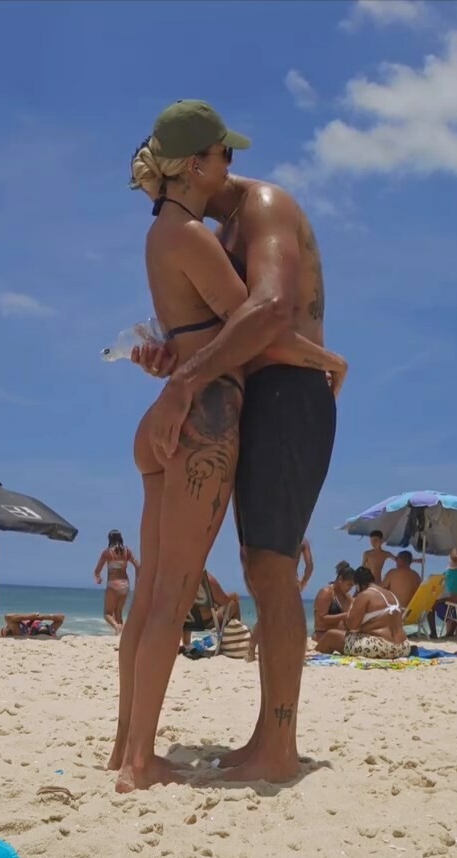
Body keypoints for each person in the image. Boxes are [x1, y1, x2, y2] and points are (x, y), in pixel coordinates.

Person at [108, 101, 347, 792]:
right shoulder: (203, 233)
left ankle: (273, 747)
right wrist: (180, 364)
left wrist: (184, 374)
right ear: (196, 164)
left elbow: (266, 312)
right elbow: (232, 327)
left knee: (262, 570)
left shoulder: (260, 208)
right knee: (249, 569)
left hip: (285, 395)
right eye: (223, 152)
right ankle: (237, 745)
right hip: (240, 400)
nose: (233, 164)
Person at [317, 567, 411, 660]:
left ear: (359, 585)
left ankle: (316, 652)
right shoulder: (391, 595)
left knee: (330, 635)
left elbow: (351, 626)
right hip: (403, 647)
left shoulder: (365, 594)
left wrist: (352, 606)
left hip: (382, 647)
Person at [246, 537, 315, 661]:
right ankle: (296, 653)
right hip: (291, 580)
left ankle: (251, 649)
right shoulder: (302, 541)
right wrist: (303, 582)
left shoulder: (275, 536)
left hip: (272, 578)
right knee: (295, 619)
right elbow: (309, 565)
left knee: (265, 616)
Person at [182, 570, 240, 650]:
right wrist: (233, 595)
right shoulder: (206, 577)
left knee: (189, 611)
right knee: (234, 604)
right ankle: (235, 639)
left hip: (184, 621)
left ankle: (186, 643)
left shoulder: (178, 577)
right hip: (205, 621)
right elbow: (223, 600)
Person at [94, 531, 139, 634]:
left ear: (110, 539)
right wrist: (136, 581)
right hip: (125, 585)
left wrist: (98, 578)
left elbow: (97, 571)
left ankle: (116, 627)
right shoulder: (127, 551)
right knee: (118, 612)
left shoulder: (107, 552)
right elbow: (138, 566)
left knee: (107, 614)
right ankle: (120, 634)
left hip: (113, 585)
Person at [313, 561, 356, 638]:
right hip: (324, 635)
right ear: (340, 579)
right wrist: (345, 615)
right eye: (349, 584)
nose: (350, 588)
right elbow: (321, 618)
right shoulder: (326, 592)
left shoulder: (347, 597)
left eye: (352, 586)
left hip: (342, 635)